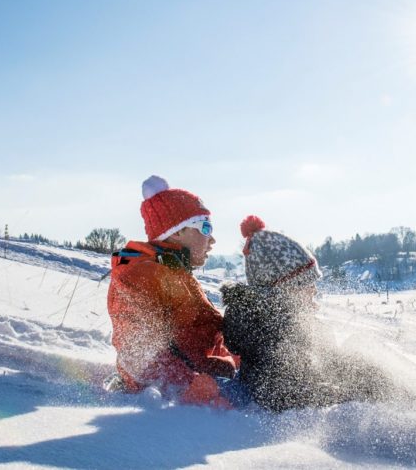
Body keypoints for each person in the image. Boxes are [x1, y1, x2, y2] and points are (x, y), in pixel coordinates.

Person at [221, 215, 392, 411]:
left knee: (361, 346)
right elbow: (285, 392)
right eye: (306, 284)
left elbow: (330, 363)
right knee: (363, 361)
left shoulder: (288, 321)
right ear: (281, 291)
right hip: (303, 413)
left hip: (320, 395)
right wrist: (343, 392)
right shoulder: (267, 332)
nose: (314, 290)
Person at [106, 176, 239, 407]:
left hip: (213, 376)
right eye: (205, 228)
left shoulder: (176, 271)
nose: (212, 239)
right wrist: (189, 387)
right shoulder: (140, 274)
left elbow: (205, 335)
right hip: (188, 392)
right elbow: (138, 350)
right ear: (176, 232)